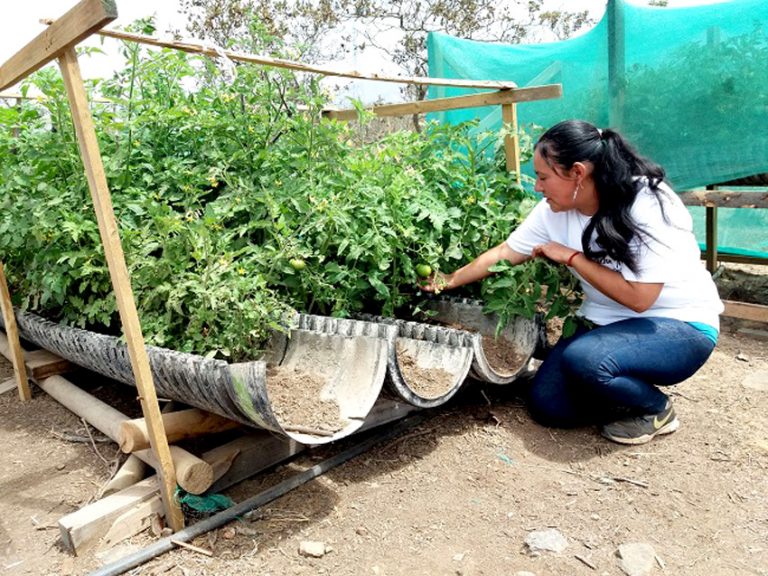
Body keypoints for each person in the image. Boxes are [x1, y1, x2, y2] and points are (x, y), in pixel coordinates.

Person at [420, 119, 723, 445]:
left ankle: (656, 408)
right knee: (549, 405)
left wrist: (572, 257)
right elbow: (507, 251)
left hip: (679, 326)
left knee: (587, 361)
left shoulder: (646, 201)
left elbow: (641, 299)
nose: (537, 186)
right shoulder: (552, 211)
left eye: (543, 176)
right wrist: (447, 281)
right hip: (606, 326)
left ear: (577, 172)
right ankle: (618, 390)